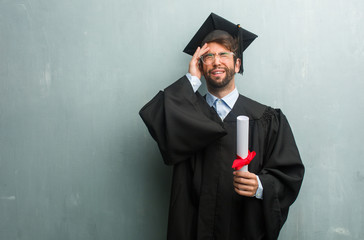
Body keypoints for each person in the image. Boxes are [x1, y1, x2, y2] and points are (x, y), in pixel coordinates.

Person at [139, 13, 304, 240]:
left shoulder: (266, 119)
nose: (217, 61)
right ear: (201, 64)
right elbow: (158, 120)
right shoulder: (185, 114)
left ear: (237, 64)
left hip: (243, 230)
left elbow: (290, 175)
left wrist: (260, 185)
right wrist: (191, 79)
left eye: (224, 55)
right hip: (192, 230)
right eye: (208, 56)